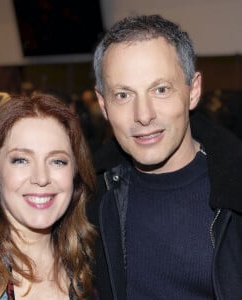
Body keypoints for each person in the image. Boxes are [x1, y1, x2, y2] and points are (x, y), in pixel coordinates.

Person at [88, 14, 242, 299]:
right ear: (103, 104)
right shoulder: (88, 200)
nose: (144, 115)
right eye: (123, 95)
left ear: (193, 91)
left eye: (160, 90)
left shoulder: (235, 194)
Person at [0, 94, 97, 299]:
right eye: (21, 160)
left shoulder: (89, 262)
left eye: (58, 161)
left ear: (75, 173)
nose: (41, 178)